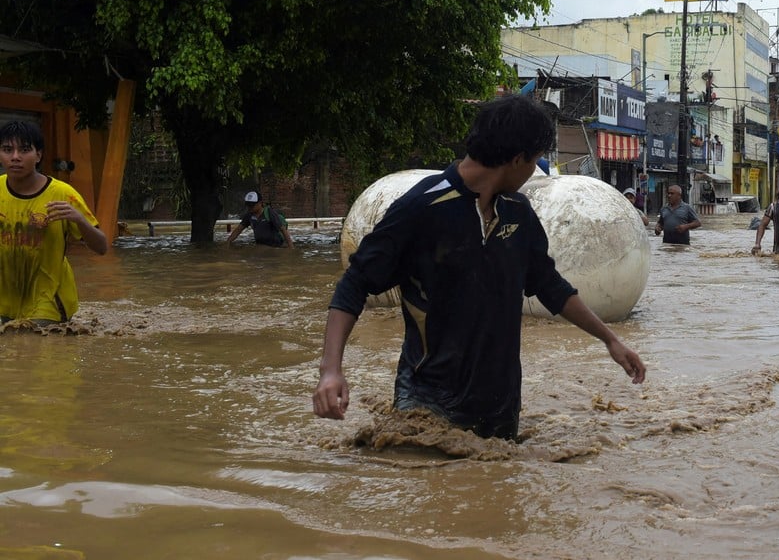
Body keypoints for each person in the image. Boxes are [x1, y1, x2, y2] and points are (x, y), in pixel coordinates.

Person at [312, 95, 645, 440]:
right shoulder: (421, 207)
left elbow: (550, 286)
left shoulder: (518, 211)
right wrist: (330, 371)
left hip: (500, 403)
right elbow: (354, 283)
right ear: (517, 160)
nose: (533, 170)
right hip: (428, 401)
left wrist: (610, 340)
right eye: (534, 161)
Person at [0, 120, 108, 325]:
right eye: (7, 150)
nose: (15, 157)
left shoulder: (62, 194)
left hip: (49, 300)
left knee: (38, 347)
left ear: (38, 155)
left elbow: (102, 247)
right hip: (5, 300)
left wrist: (79, 220)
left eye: (24, 150)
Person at [226, 190, 293, 248]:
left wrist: (291, 248)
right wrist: (228, 242)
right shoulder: (249, 215)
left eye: (252, 205)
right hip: (261, 246)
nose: (250, 207)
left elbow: (283, 230)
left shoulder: (269, 213)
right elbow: (238, 229)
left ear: (260, 203)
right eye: (248, 205)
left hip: (275, 246)